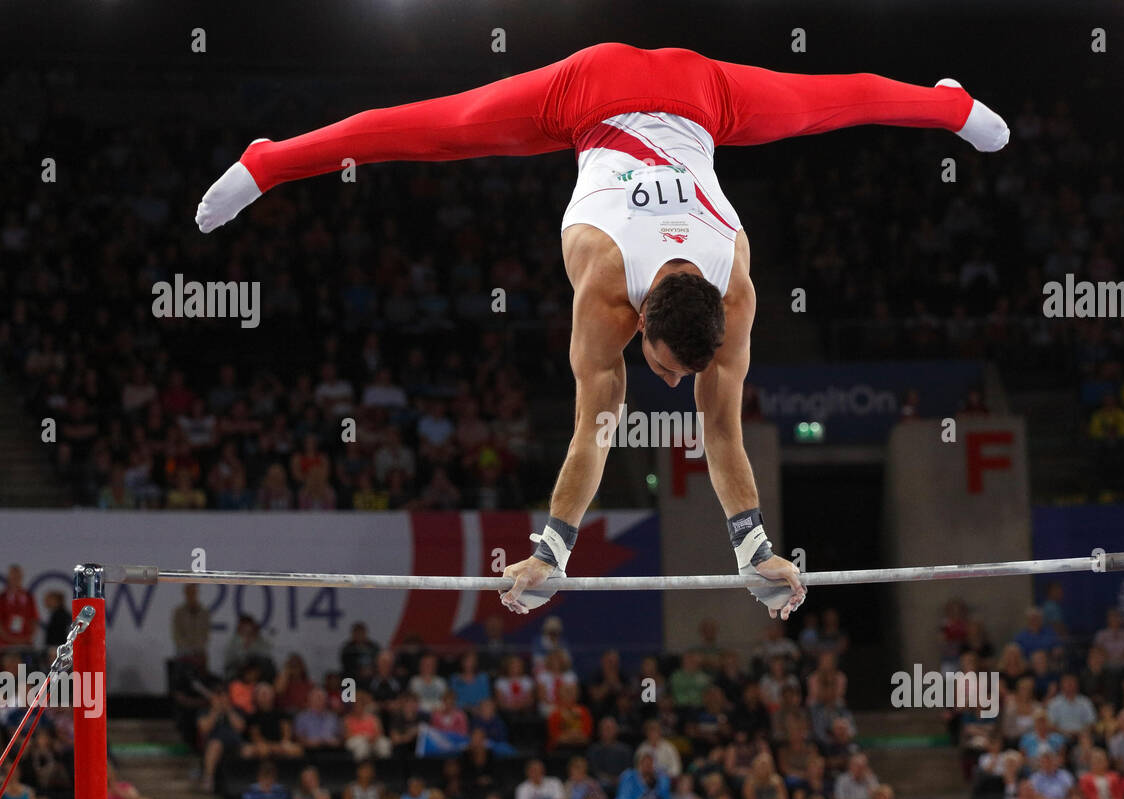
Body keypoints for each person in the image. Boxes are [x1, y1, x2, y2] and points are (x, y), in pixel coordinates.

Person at [199, 43, 1009, 622]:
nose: (666, 380)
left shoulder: (735, 298)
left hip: (701, 93)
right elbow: (595, 433)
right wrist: (552, 552)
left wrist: (750, 546)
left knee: (840, 101)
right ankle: (267, 161)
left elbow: (720, 429)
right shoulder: (604, 292)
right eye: (661, 366)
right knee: (431, 130)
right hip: (591, 95)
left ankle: (954, 104)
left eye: (674, 370)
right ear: (639, 325)